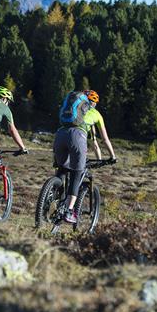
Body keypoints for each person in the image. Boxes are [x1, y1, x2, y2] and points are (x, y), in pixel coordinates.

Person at [53, 89, 116, 223]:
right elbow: (104, 139)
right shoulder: (96, 114)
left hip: (60, 134)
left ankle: (51, 198)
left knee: (62, 169)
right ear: (94, 103)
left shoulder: (73, 110)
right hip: (77, 136)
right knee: (77, 173)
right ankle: (69, 211)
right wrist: (112, 157)